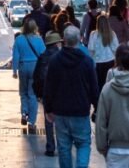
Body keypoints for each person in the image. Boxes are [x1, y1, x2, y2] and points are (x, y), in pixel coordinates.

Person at [44, 25, 100, 168]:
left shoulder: (55, 61)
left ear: (64, 40)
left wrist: (48, 108)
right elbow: (93, 87)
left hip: (60, 111)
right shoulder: (87, 61)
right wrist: (97, 106)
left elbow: (49, 86)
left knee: (63, 146)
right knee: (83, 143)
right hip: (80, 110)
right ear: (79, 39)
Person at [12, 18, 46, 131]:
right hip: (35, 67)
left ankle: (24, 113)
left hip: (23, 66)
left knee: (23, 92)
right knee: (33, 94)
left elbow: (15, 56)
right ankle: (31, 122)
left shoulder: (19, 39)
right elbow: (43, 55)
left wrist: (14, 70)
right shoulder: (39, 39)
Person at [35, 31, 64, 158]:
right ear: (57, 44)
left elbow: (36, 77)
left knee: (48, 120)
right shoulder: (62, 57)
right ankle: (62, 146)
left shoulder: (42, 57)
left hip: (46, 92)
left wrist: (39, 93)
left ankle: (50, 147)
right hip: (60, 92)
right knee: (61, 121)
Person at [88, 14, 119, 119]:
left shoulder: (93, 34)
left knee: (97, 86)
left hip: (97, 63)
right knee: (108, 86)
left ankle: (97, 108)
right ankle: (108, 108)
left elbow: (91, 49)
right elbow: (116, 49)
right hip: (109, 62)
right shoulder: (112, 34)